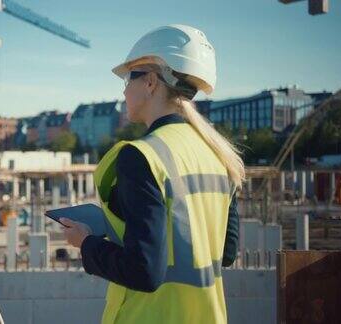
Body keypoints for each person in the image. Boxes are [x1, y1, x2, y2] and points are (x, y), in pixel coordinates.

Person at [61, 25, 243, 324]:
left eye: (128, 76)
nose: (123, 89)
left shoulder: (142, 155)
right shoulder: (219, 156)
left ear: (149, 82)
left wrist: (86, 243)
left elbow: (143, 271)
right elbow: (226, 253)